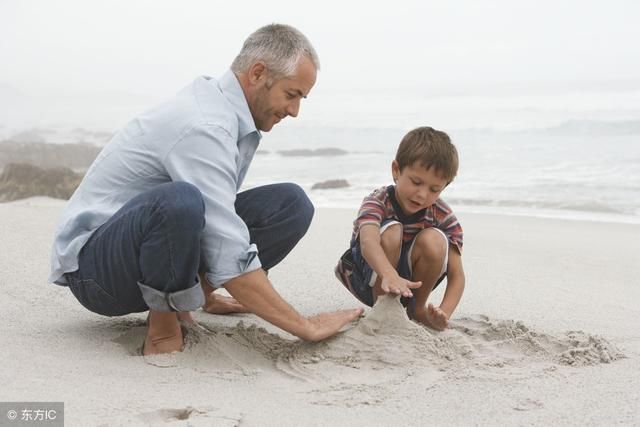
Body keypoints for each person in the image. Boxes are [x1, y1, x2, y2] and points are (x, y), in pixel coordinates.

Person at [49, 24, 362, 355]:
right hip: (97, 274)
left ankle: (196, 295)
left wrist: (209, 288)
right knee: (180, 201)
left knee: (290, 205)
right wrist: (305, 327)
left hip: (143, 250)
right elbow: (226, 246)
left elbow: (218, 215)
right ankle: (164, 328)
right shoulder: (205, 124)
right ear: (258, 73)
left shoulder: (228, 111)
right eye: (292, 94)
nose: (295, 111)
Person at [334, 126, 465, 330]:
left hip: (412, 287)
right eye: (416, 182)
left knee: (435, 240)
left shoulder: (442, 215)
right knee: (393, 230)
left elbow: (457, 275)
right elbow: (368, 242)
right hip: (368, 276)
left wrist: (444, 312)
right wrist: (389, 273)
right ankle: (384, 309)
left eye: (434, 189)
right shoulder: (377, 201)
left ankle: (416, 310)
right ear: (396, 170)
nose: (422, 194)